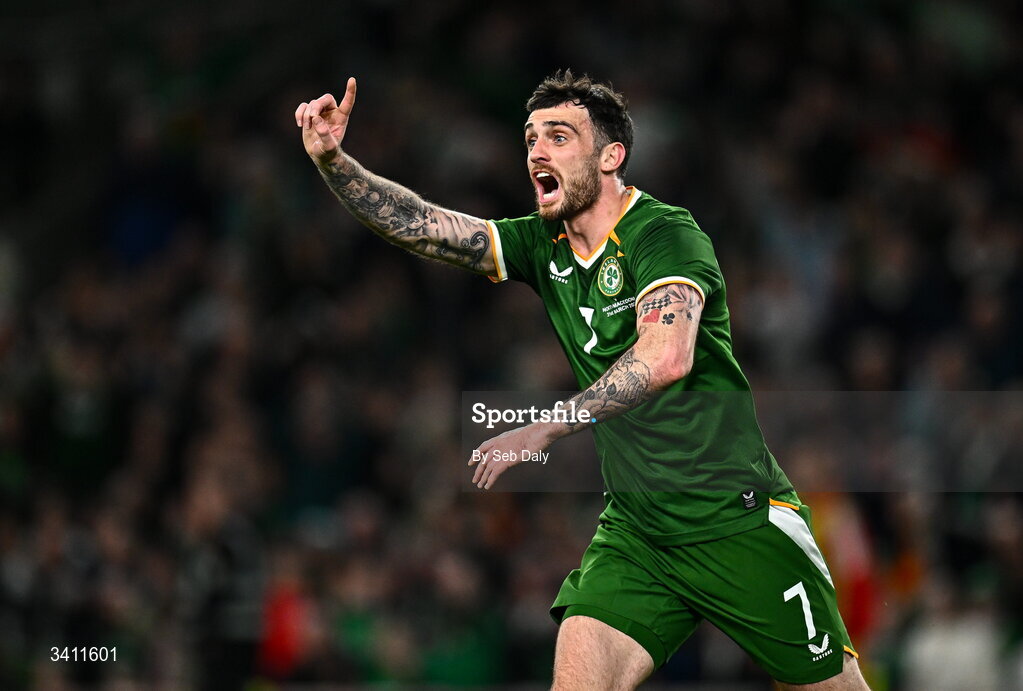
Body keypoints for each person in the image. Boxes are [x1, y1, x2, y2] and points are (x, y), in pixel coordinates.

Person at [295, 70, 870, 690]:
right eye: (531, 138)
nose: (537, 151)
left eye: (560, 136)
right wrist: (333, 161)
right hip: (638, 533)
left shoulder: (665, 234)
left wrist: (546, 427)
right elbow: (424, 226)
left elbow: (665, 357)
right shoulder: (544, 244)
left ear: (610, 157)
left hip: (736, 519)